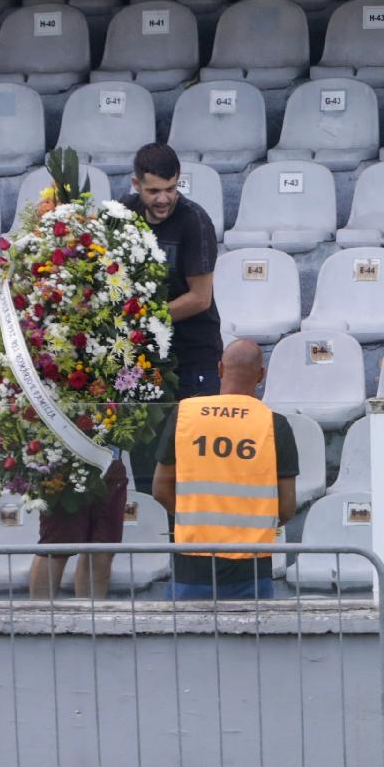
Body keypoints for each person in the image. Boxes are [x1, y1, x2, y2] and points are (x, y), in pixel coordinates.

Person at [151, 339, 298, 601]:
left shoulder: (185, 415)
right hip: (251, 566)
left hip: (191, 565)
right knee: (251, 641)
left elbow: (160, 489)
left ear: (219, 369)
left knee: (185, 639)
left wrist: (192, 516)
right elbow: (286, 507)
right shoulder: (275, 425)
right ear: (261, 375)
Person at [124, 142, 222, 399]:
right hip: (148, 357)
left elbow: (200, 298)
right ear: (136, 185)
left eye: (170, 189)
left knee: (190, 435)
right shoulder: (123, 212)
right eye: (154, 191)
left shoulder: (194, 221)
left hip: (192, 359)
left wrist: (141, 321)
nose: (163, 199)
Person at [30, 456, 128, 600]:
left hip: (110, 460)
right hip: (62, 462)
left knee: (103, 545)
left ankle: (91, 617)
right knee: (55, 546)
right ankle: (38, 616)